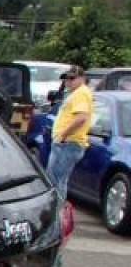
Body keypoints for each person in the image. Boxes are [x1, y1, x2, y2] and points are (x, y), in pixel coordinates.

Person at [46, 64, 93, 201]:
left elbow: (81, 118)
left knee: (55, 180)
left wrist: (63, 135)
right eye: (66, 79)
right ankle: (57, 211)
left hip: (68, 143)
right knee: (57, 179)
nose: (68, 82)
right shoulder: (76, 93)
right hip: (67, 143)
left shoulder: (81, 93)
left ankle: (56, 212)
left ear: (82, 79)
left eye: (72, 78)